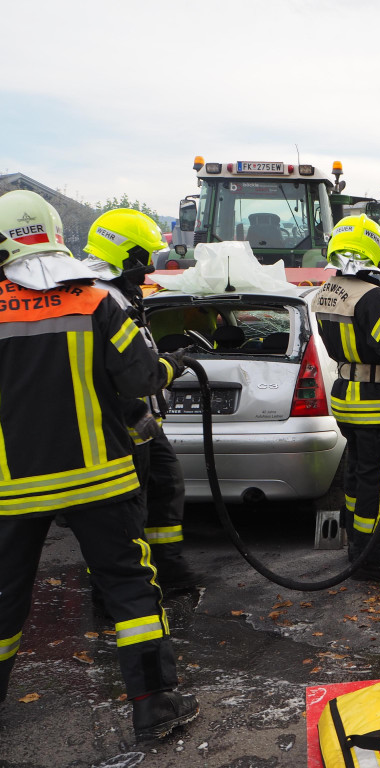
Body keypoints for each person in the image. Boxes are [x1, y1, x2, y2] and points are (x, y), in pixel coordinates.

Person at [0, 190, 199, 740]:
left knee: (5, 597)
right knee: (131, 590)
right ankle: (155, 706)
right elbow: (141, 378)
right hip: (100, 478)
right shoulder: (93, 301)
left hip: (12, 487)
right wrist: (172, 365)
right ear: (55, 236)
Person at [81, 209, 199, 592]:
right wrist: (168, 367)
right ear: (125, 253)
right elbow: (122, 372)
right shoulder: (102, 298)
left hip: (144, 422)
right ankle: (113, 590)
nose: (148, 268)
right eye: (144, 257)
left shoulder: (117, 293)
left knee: (165, 488)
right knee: (128, 512)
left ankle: (170, 573)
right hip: (122, 425)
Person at [313, 215, 380, 582]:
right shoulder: (371, 298)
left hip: (345, 399)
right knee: (378, 481)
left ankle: (356, 548)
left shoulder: (326, 292)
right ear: (374, 251)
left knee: (357, 473)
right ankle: (372, 559)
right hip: (373, 402)